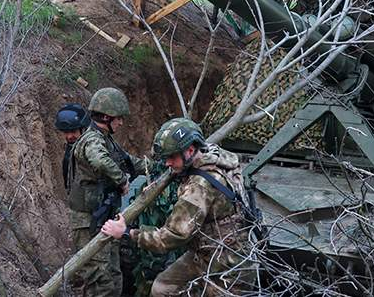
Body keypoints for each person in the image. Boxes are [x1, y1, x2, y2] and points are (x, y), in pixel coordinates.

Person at [101, 118, 255, 296]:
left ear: (190, 151)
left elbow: (170, 237)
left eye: (172, 157)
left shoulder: (199, 187)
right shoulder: (214, 155)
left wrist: (127, 233)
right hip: (209, 251)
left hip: (226, 264)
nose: (167, 163)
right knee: (162, 287)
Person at [68, 87, 149, 297]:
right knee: (99, 280)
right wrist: (122, 181)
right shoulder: (92, 140)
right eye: (118, 118)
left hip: (104, 218)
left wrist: (155, 166)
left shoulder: (106, 139)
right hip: (89, 222)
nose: (121, 123)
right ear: (106, 117)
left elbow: (128, 162)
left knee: (113, 277)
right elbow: (100, 160)